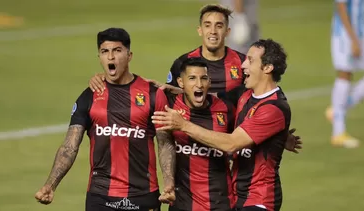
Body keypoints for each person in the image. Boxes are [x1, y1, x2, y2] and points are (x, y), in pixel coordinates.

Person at [34, 28, 176, 211]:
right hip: (100, 197)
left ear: (129, 55)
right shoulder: (89, 96)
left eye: (117, 50)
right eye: (105, 52)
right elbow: (69, 147)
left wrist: (169, 183)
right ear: (99, 57)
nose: (111, 57)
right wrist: (50, 185)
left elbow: (165, 143)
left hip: (143, 196)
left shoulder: (152, 94)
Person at [153, 39, 291, 211]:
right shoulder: (244, 94)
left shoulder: (274, 108)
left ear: (268, 67)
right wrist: (179, 89)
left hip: (259, 199)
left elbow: (231, 143)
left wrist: (183, 125)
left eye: (250, 60)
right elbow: (210, 95)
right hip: (237, 196)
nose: (243, 65)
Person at [88, 4, 246, 95]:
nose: (213, 31)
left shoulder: (243, 62)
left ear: (227, 32)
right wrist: (107, 79)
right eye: (207, 25)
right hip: (193, 146)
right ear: (199, 30)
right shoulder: (183, 63)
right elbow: (167, 96)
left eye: (219, 26)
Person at [165, 57, 236, 211]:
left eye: (203, 78)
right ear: (180, 82)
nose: (199, 84)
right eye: (192, 78)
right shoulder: (169, 106)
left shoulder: (226, 108)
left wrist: (281, 138)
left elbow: (247, 133)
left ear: (209, 82)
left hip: (220, 203)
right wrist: (101, 78)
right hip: (182, 203)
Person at [326, 0, 364, 148]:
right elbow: (341, 7)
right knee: (345, 74)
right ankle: (338, 133)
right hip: (345, 35)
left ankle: (339, 109)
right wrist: (353, 39)